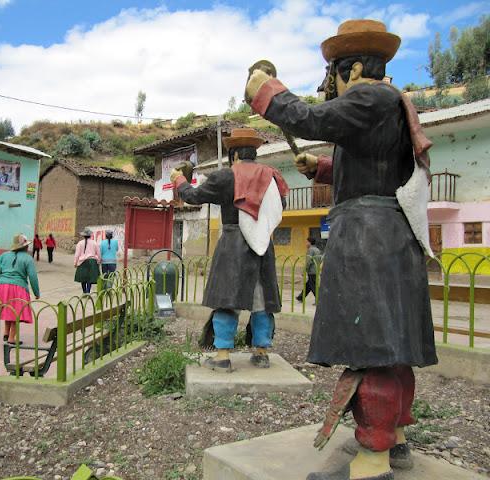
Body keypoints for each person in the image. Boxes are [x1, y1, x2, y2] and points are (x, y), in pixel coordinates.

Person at [245, 19, 437, 480]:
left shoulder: (369, 96)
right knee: (392, 349)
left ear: (349, 70)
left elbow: (312, 118)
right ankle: (397, 440)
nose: (329, 85)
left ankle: (371, 463)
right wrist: (325, 167)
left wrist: (266, 90)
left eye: (331, 75)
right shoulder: (388, 102)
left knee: (369, 349)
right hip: (389, 234)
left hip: (367, 240)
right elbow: (376, 165)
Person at [171, 128, 288, 371]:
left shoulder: (226, 177)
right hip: (263, 245)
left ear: (234, 155)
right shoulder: (273, 177)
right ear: (254, 153)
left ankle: (223, 356)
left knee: (227, 300)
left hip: (233, 243)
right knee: (261, 301)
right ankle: (261, 352)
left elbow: (193, 196)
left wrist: (179, 180)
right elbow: (280, 206)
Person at [0, 234, 40, 344]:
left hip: (0, 286)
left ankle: (6, 333)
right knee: (17, 313)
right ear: (25, 247)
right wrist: (37, 293)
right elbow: (32, 276)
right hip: (18, 287)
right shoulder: (28, 258)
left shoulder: (5, 255)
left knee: (8, 309)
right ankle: (12, 338)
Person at [74, 228, 101, 294]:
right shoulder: (94, 243)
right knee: (90, 278)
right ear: (90, 235)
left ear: (83, 236)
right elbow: (98, 253)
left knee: (83, 278)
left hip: (82, 262)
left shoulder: (80, 243)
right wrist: (98, 260)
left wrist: (75, 263)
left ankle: (84, 292)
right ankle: (88, 292)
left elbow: (77, 254)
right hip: (92, 261)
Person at [297, 237, 322, 303]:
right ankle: (301, 297)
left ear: (310, 243)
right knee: (308, 285)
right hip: (316, 269)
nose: (306, 244)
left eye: (307, 242)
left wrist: (304, 270)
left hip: (311, 271)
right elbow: (320, 259)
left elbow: (308, 261)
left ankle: (319, 300)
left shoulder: (310, 250)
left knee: (313, 286)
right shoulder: (317, 250)